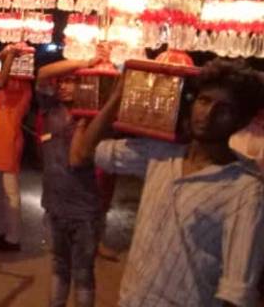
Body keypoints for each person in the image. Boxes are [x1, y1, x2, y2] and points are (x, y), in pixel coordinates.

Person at [72, 59, 264, 306]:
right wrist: (118, 96)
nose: (209, 114)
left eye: (224, 108)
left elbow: (237, 292)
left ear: (241, 121)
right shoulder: (161, 154)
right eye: (204, 101)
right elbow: (85, 152)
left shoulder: (246, 190)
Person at [35, 56, 109, 307]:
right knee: (58, 266)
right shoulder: (51, 108)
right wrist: (86, 60)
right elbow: (44, 72)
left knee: (83, 273)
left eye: (73, 82)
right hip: (54, 205)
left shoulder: (95, 118)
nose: (64, 86)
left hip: (85, 211)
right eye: (63, 81)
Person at [0, 42, 33, 252]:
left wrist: (9, 58)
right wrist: (3, 53)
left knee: (10, 191)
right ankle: (3, 230)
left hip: (10, 140)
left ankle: (13, 238)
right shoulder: (11, 78)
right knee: (0, 190)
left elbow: (0, 82)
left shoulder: (22, 83)